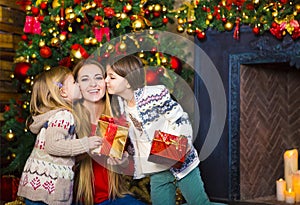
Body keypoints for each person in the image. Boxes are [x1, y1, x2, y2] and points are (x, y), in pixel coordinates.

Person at [105, 55, 221, 205]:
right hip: (157, 170)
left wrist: (178, 149)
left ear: (127, 82)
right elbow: (138, 143)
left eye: (111, 77)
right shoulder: (121, 110)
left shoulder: (154, 95)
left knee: (200, 204)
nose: (106, 80)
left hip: (182, 164)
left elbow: (181, 119)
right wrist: (124, 156)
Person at [17, 66, 102, 205]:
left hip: (37, 186)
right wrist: (86, 143)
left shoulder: (56, 115)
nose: (79, 84)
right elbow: (54, 146)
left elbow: (64, 150)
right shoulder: (63, 115)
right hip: (48, 190)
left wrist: (88, 150)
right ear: (63, 92)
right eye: (74, 82)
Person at [72, 59, 146, 205]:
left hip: (113, 198)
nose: (93, 84)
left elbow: (132, 167)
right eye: (85, 79)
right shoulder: (69, 119)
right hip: (77, 200)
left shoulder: (118, 119)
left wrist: (124, 162)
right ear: (77, 86)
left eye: (98, 78)